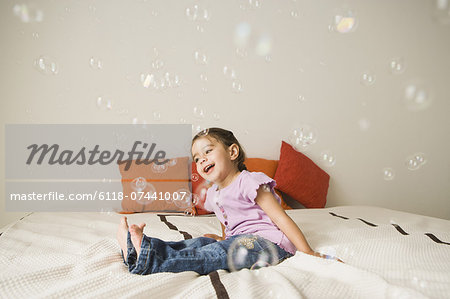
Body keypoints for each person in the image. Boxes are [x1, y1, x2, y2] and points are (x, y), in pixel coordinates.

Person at [117, 127, 342, 275]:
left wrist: (307, 251)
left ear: (232, 152)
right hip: (242, 240)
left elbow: (280, 218)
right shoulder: (214, 194)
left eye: (208, 151)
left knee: (213, 255)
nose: (201, 159)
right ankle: (140, 248)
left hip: (269, 243)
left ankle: (150, 259)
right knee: (200, 244)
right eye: (197, 158)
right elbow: (229, 223)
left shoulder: (250, 181)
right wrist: (221, 237)